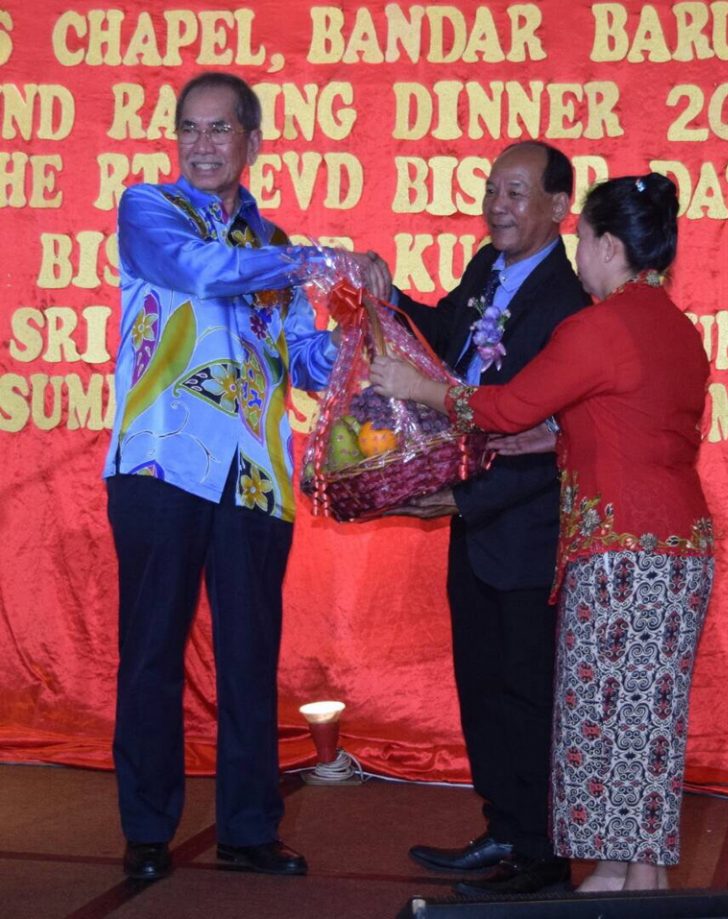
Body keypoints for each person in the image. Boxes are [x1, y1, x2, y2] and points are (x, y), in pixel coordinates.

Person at [370, 172, 715, 893]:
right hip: (676, 549)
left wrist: (416, 386)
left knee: (617, 721)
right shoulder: (676, 328)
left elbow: (506, 406)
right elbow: (603, 425)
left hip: (622, 552)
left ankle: (641, 884)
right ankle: (622, 873)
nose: (577, 253)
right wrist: (539, 439)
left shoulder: (600, 327)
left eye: (582, 239)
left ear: (610, 245)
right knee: (642, 720)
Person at [103, 71, 385, 882]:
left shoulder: (274, 243)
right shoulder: (149, 210)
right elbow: (200, 271)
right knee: (151, 652)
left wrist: (366, 331)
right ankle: (147, 828)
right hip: (161, 462)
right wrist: (317, 260)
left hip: (255, 476)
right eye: (189, 129)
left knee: (251, 656)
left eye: (218, 129)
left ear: (251, 142)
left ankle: (250, 829)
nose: (201, 145)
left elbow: (305, 360)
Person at [387, 141, 591, 895]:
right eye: (491, 190)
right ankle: (504, 826)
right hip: (474, 524)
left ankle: (541, 855)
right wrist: (386, 297)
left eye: (515, 192)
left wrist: (463, 498)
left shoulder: (568, 304)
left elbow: (553, 441)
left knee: (528, 695)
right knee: (481, 686)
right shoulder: (486, 268)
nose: (496, 206)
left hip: (527, 533)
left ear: (559, 207)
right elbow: (446, 337)